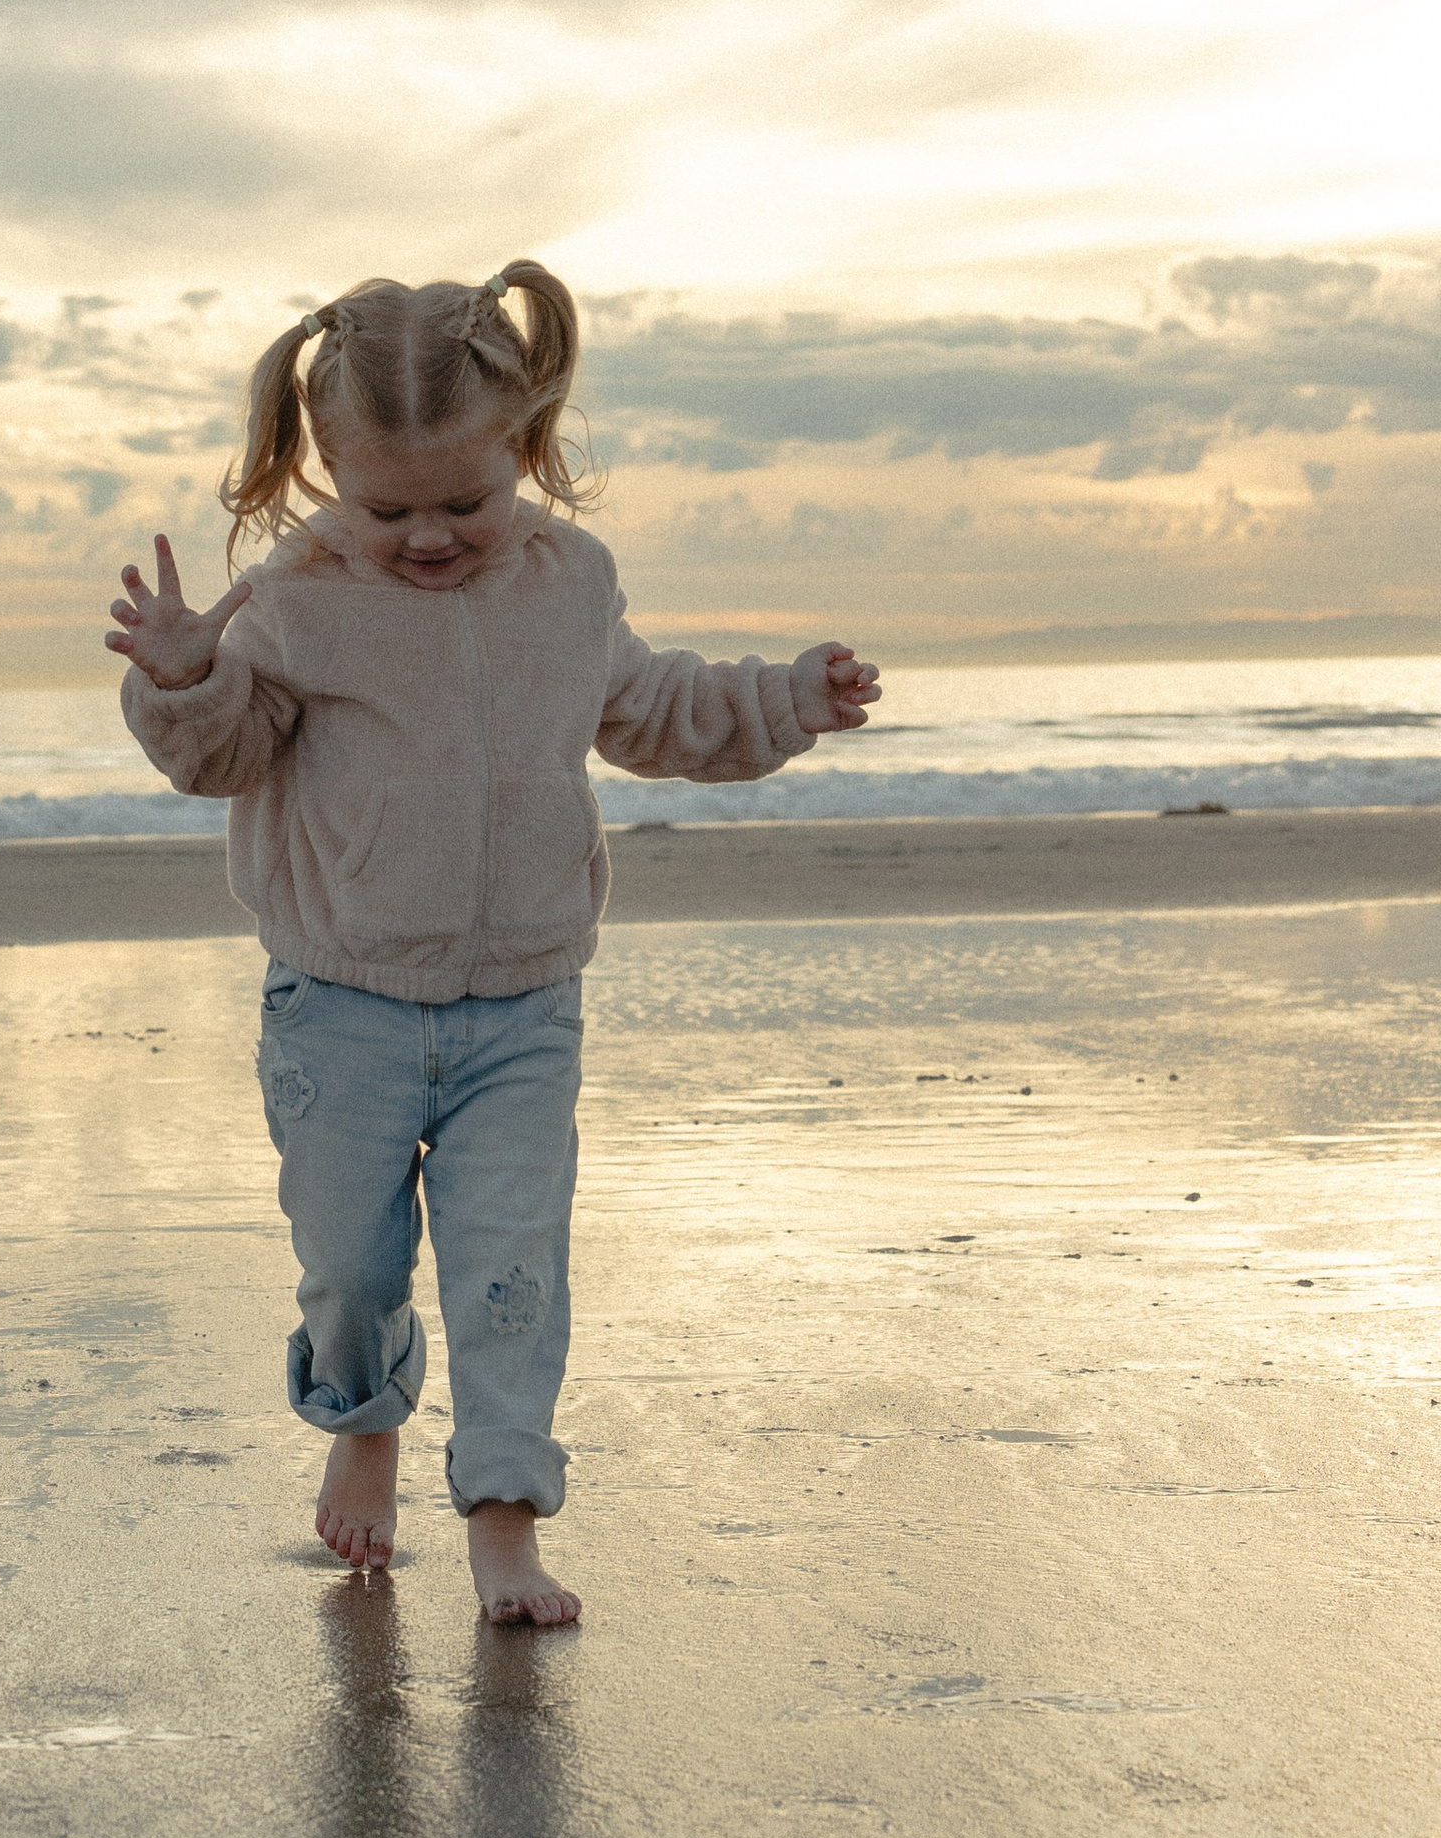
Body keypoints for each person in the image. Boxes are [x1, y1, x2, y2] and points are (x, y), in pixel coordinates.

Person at [107, 264, 878, 1624]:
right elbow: (222, 757)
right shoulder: (295, 599)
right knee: (350, 1267)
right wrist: (182, 676)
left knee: (511, 1268)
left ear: (523, 450)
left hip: (522, 1007)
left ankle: (505, 1523)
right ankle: (364, 1416)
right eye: (385, 507)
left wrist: (786, 699)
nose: (425, 536)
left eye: (463, 502)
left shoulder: (567, 586)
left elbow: (655, 709)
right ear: (327, 471)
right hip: (338, 1002)